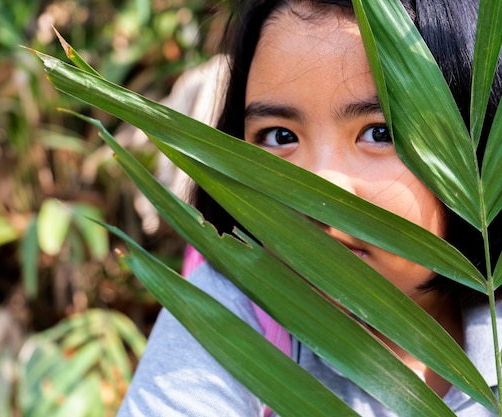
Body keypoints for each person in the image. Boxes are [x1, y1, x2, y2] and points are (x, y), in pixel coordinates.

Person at [116, 0, 502, 416]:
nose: (320, 189)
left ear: (479, 148)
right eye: (280, 136)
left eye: (380, 132)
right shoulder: (231, 316)